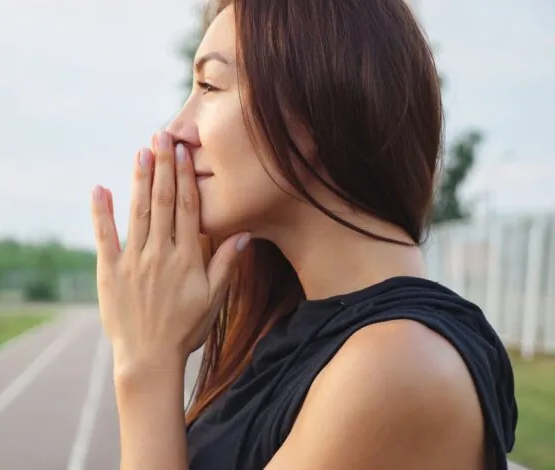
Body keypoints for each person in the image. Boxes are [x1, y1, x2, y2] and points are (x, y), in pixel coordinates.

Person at [89, 0, 518, 468]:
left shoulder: (396, 367)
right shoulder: (301, 332)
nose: (175, 130)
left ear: (315, 109)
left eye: (209, 86)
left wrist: (145, 366)